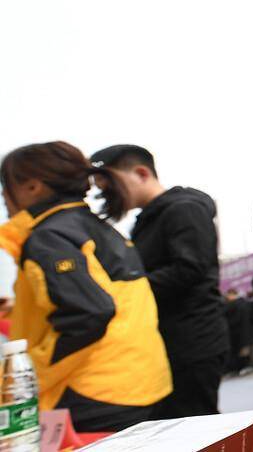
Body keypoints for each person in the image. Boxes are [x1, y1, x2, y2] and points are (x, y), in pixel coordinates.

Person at [0, 142, 171, 431]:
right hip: (137, 382)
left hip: (89, 392)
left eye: (6, 185)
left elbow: (89, 314)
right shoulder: (95, 227)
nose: (4, 196)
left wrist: (25, 373)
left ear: (32, 187)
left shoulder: (49, 236)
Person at [89, 144, 229, 419]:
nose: (108, 196)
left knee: (194, 426)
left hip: (192, 342)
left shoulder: (184, 209)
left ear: (141, 173)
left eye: (111, 186)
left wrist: (126, 291)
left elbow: (189, 269)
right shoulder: (148, 219)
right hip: (169, 341)